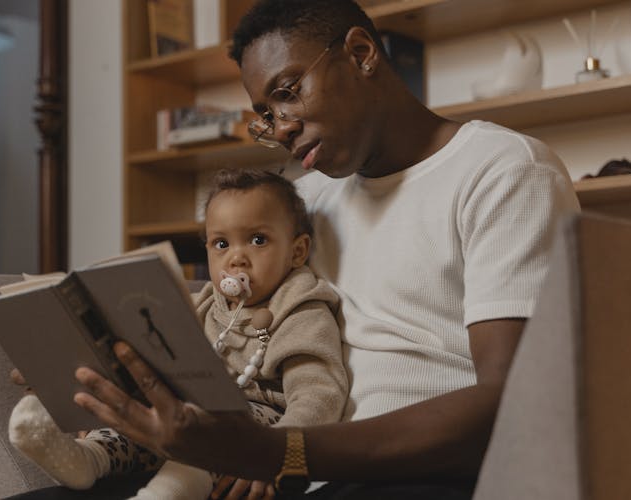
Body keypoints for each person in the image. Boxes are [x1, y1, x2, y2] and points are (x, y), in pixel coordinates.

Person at [73, 1, 581, 499]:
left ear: (361, 53)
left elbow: (509, 404)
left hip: (429, 475)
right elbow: (237, 326)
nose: (283, 126)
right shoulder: (307, 202)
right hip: (299, 470)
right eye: (267, 115)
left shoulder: (504, 172)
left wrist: (279, 451)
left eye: (288, 92)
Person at [7, 169, 348, 500]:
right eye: (221, 243)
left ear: (297, 251)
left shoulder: (302, 309)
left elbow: (319, 394)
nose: (236, 258)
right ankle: (87, 459)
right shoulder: (206, 304)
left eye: (258, 240)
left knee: (206, 440)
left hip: (257, 428)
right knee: (138, 424)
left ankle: (165, 493)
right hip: (185, 415)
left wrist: (276, 454)